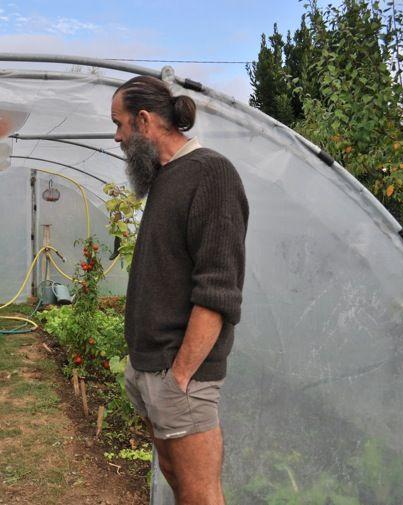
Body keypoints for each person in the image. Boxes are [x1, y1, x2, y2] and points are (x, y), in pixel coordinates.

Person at [112, 76, 248, 505]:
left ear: (145, 120)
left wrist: (183, 375)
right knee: (173, 474)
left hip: (180, 372)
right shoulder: (165, 178)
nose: (116, 137)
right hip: (150, 366)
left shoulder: (210, 174)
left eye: (119, 124)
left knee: (200, 492)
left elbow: (218, 291)